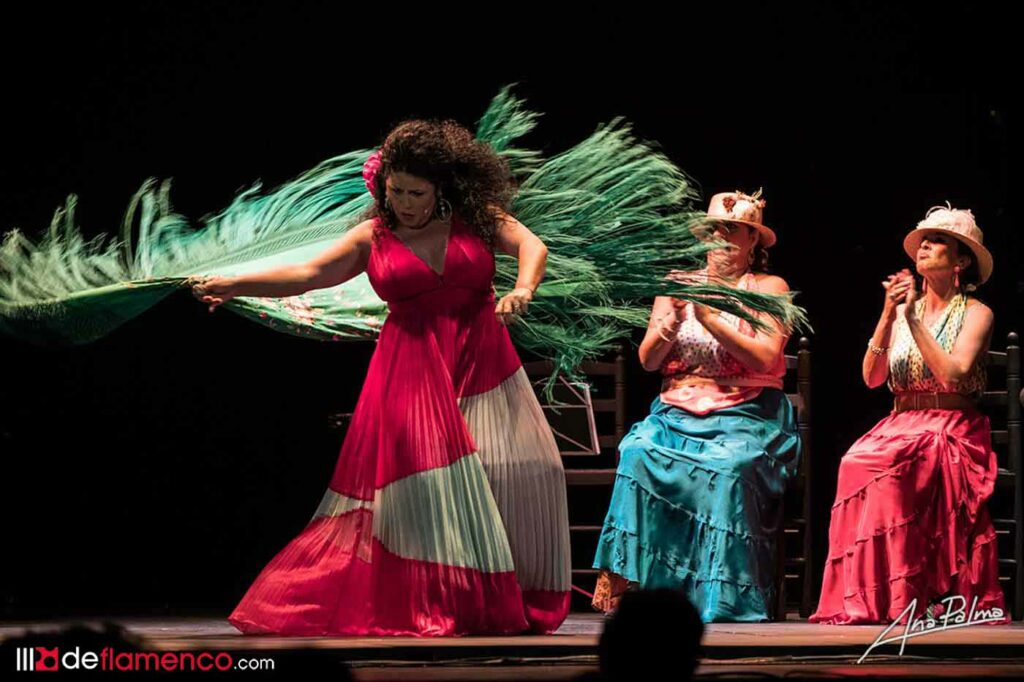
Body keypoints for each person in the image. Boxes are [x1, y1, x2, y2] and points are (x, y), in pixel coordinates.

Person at [192, 119, 571, 636]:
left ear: (443, 189)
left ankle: (503, 589)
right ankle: (434, 600)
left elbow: (532, 246)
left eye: (417, 192)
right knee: (423, 488)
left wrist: (523, 288)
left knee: (529, 468)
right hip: (410, 370)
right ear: (381, 185)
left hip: (482, 358)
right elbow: (307, 274)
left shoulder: (476, 218)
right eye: (395, 191)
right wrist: (235, 284)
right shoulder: (372, 237)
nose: (404, 203)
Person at [591, 190, 801, 622]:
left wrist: (709, 318)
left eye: (732, 230)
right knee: (636, 453)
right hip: (677, 411)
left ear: (752, 241)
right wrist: (671, 321)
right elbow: (649, 360)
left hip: (747, 414)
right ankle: (642, 596)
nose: (719, 237)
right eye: (713, 230)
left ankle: (719, 598)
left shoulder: (768, 288)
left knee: (727, 467)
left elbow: (765, 358)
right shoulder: (677, 285)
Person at [810, 205, 1008, 625]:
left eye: (936, 242)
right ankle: (870, 599)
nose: (924, 248)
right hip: (900, 423)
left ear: (961, 260)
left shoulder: (976, 312)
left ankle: (908, 595)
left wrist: (914, 319)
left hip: (951, 427)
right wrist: (889, 314)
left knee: (889, 469)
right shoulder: (903, 311)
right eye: (922, 242)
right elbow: (871, 377)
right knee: (854, 462)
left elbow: (953, 376)